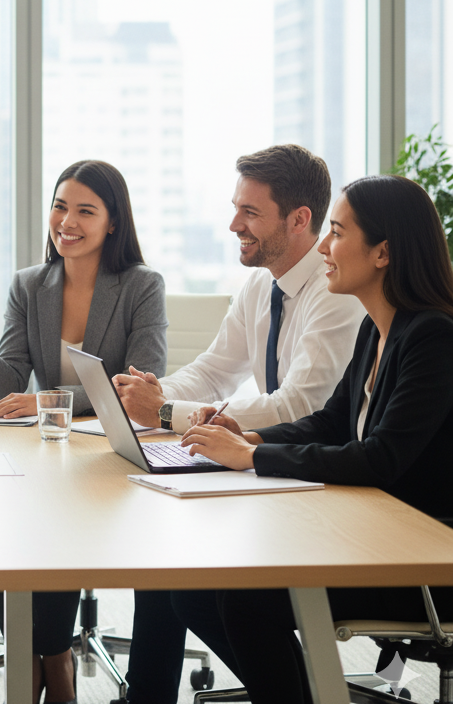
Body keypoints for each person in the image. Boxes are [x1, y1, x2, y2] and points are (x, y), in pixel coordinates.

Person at [173, 174, 453, 704]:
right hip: (370, 536)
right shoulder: (378, 329)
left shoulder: (433, 337)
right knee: (194, 588)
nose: (324, 246)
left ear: (383, 253)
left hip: (423, 561)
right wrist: (247, 436)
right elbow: (329, 421)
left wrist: (253, 456)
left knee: (245, 600)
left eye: (338, 233)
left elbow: (380, 459)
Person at [109, 144, 366, 704]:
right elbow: (214, 370)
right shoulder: (259, 286)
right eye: (235, 208)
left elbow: (300, 407)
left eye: (250, 212)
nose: (233, 224)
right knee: (168, 570)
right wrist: (153, 396)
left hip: (321, 487)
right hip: (272, 470)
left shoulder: (336, 293)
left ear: (300, 220)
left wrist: (169, 415)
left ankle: (301, 690)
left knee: (192, 580)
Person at [0, 159, 168, 704]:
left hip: (107, 457)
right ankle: (51, 653)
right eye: (60, 206)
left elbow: (136, 389)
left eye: (85, 211)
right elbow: (10, 386)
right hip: (47, 449)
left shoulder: (142, 285)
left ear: (113, 222)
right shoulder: (30, 284)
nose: (66, 221)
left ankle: (43, 655)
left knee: (52, 523)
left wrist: (49, 401)